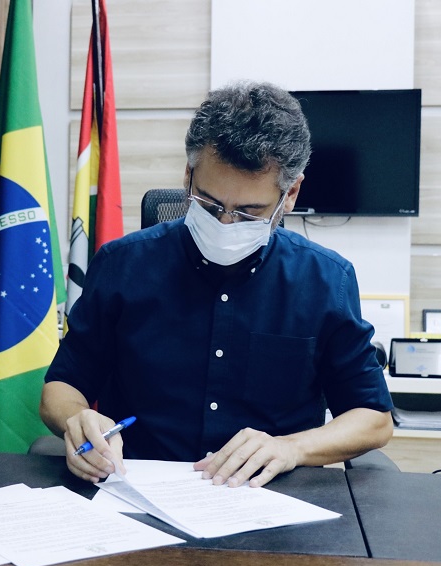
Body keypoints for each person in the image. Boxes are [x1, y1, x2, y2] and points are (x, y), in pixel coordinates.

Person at [41, 80, 393, 488]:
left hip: (272, 498)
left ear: (291, 193)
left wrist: (291, 448)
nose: (225, 223)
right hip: (137, 489)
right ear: (188, 175)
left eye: (248, 212)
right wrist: (78, 420)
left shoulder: (326, 280)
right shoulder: (122, 265)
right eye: (210, 204)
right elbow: (60, 387)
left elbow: (374, 418)